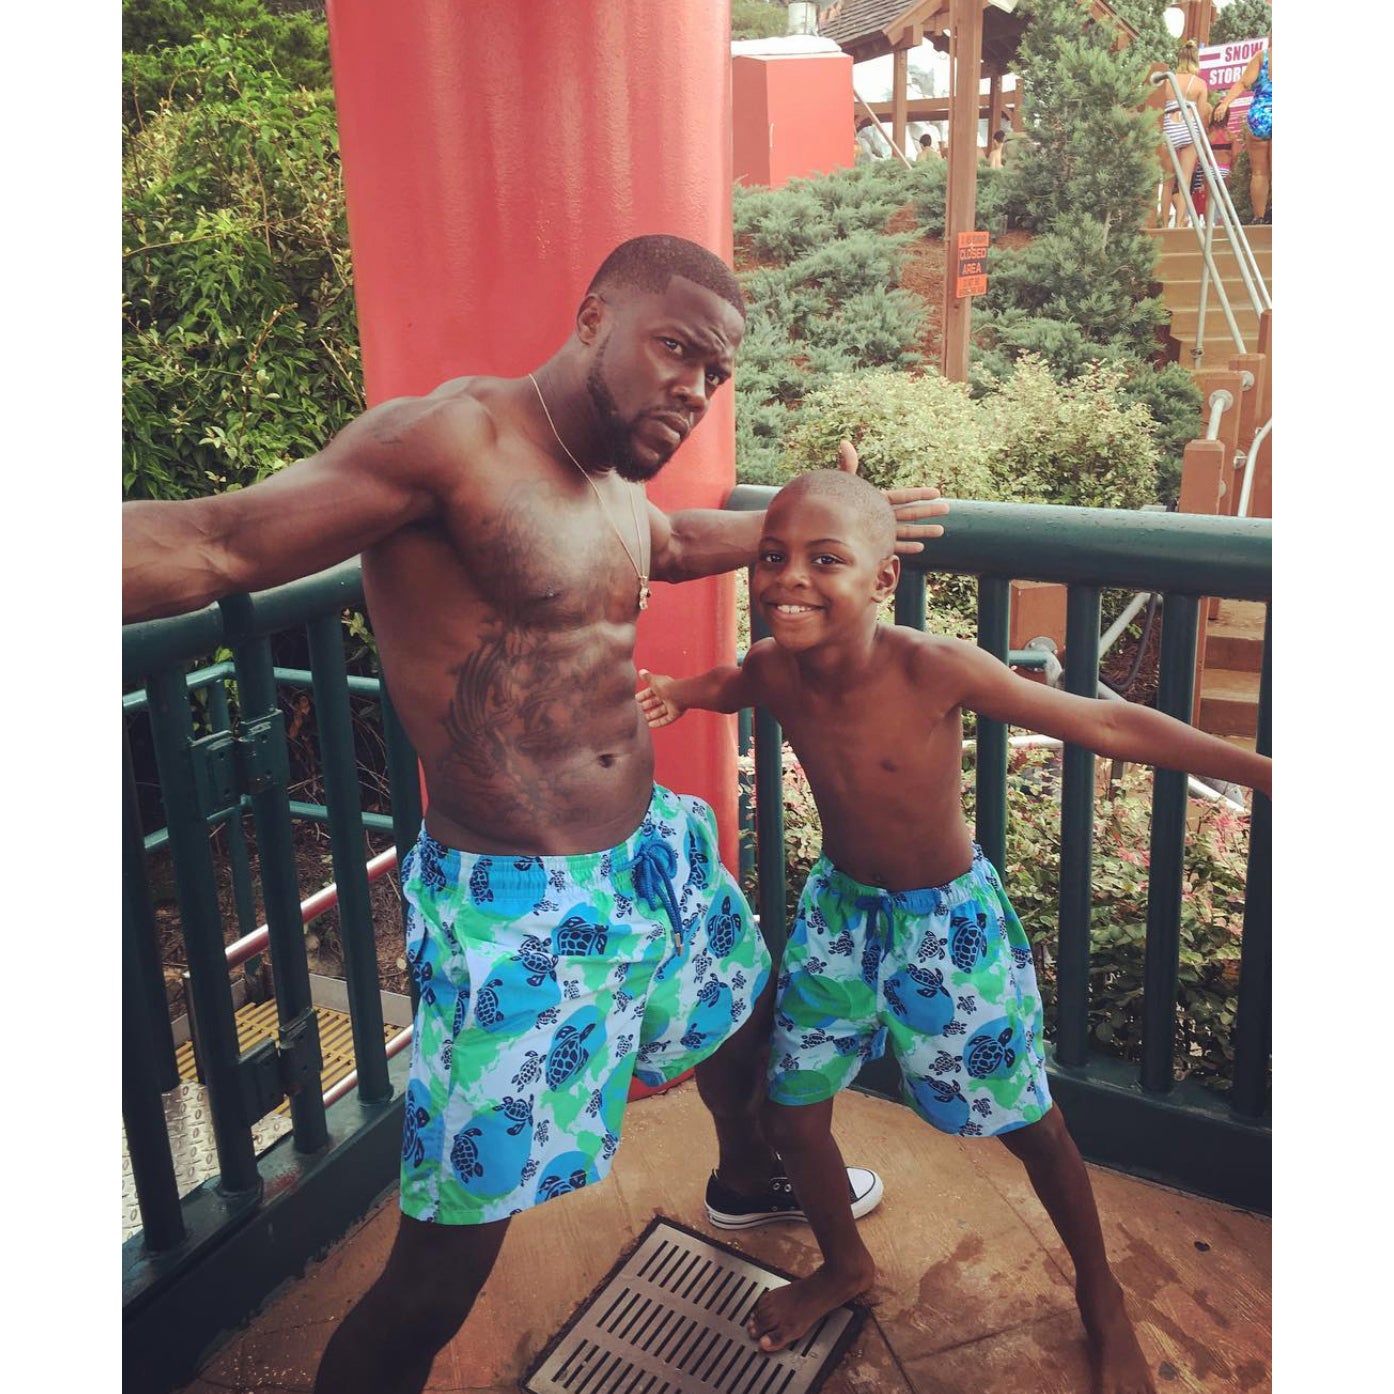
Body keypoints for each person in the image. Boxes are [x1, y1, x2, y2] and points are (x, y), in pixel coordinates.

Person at [123, 236, 947, 1394]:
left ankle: (746, 1178)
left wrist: (806, 530)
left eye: (713, 374)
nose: (693, 389)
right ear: (593, 316)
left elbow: (670, 542)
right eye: (675, 349)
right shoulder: (450, 442)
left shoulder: (611, 477)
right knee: (438, 1270)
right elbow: (214, 540)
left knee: (741, 1012)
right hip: (518, 914)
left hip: (648, 853)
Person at [637, 470, 1272, 1394]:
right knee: (792, 1114)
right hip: (840, 922)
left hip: (946, 931)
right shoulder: (774, 667)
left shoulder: (932, 667)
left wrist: (1265, 771)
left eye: (826, 559)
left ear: (884, 578)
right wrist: (677, 692)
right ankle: (845, 1265)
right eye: (772, 556)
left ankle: (1101, 1294)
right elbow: (733, 684)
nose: (789, 579)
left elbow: (1103, 719)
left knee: (1031, 1124)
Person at [1213, 37, 1272, 223]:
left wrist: (1225, 103)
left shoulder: (1262, 57)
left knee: (1259, 173)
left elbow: (1243, 83)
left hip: (1259, 116)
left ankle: (1258, 217)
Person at [1160, 38, 1211, 228]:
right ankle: (1179, 223)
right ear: (1196, 60)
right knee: (1185, 181)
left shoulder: (1167, 81)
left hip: (1169, 125)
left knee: (1167, 181)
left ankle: (1164, 223)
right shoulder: (1200, 84)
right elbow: (1203, 112)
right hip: (1189, 126)